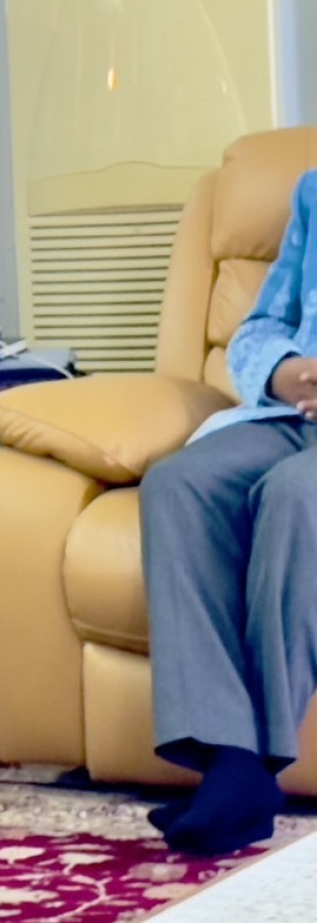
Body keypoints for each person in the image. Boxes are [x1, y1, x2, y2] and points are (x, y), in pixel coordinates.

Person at [141, 169, 317, 857]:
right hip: (295, 414)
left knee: (295, 495)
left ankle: (251, 770)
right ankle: (228, 754)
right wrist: (285, 372)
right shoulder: (313, 191)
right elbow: (261, 327)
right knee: (177, 484)